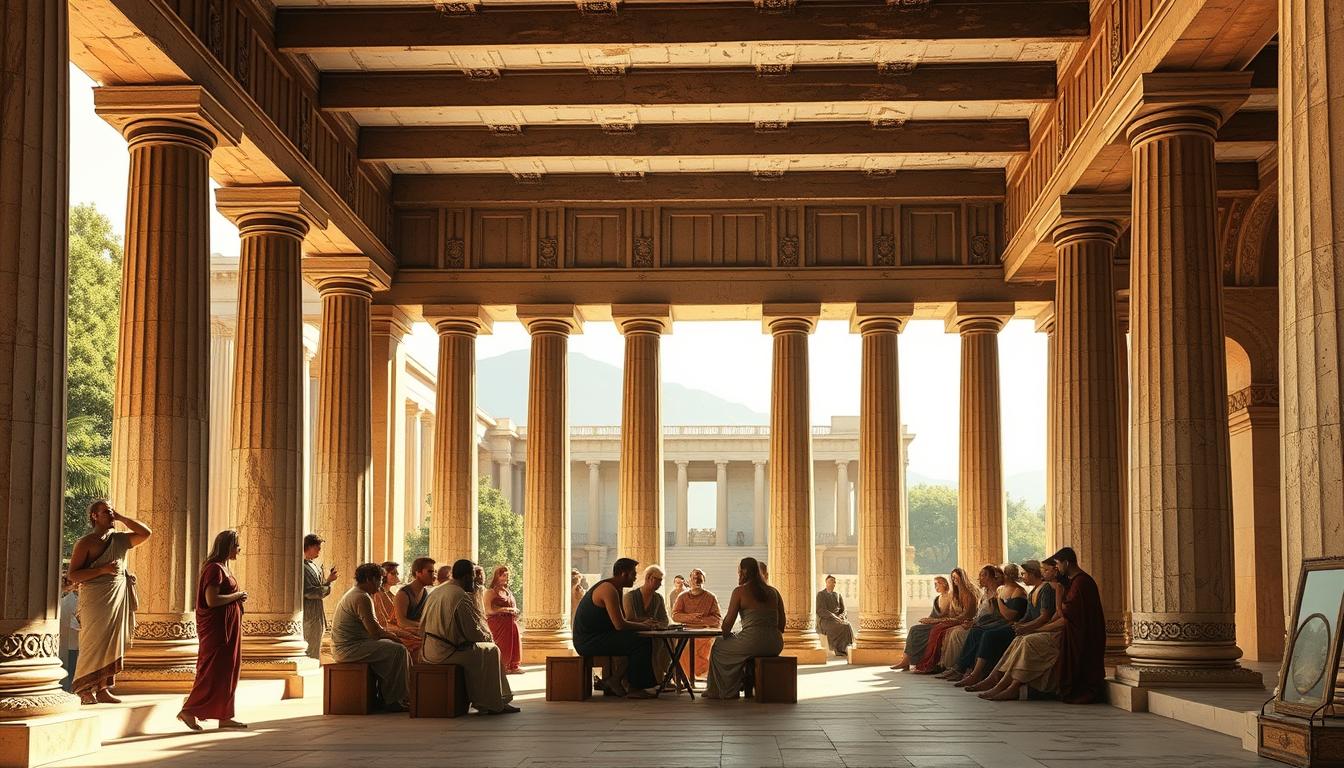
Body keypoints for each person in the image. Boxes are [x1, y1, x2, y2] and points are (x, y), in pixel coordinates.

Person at [67, 499, 151, 704]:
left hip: (117, 596)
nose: (111, 514)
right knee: (93, 642)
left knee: (112, 642)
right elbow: (74, 575)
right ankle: (84, 688)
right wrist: (102, 570)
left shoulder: (120, 539)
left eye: (112, 511)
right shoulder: (86, 542)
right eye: (106, 512)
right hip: (95, 598)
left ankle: (103, 688)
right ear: (94, 516)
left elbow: (146, 533)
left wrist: (121, 517)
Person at [421, 559, 519, 714]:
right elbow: (472, 632)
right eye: (473, 576)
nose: (475, 580)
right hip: (445, 652)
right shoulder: (460, 595)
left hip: (430, 649)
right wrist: (488, 638)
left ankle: (493, 700)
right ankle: (493, 702)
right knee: (491, 651)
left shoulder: (438, 591)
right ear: (466, 576)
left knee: (482, 651)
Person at [177, 530, 248, 731]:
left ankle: (224, 715)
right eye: (236, 545)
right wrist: (237, 596)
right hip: (218, 631)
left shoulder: (224, 567)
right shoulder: (214, 569)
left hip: (229, 627)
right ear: (226, 546)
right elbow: (212, 600)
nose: (239, 549)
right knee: (212, 671)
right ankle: (189, 710)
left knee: (228, 671)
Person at [979, 557, 1067, 701]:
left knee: (1023, 640)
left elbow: (1046, 617)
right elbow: (1028, 616)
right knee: (1018, 639)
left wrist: (1028, 628)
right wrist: (1021, 625)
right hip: (1042, 628)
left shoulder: (1048, 588)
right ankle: (997, 679)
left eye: (1025, 574)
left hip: (1053, 632)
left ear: (1032, 574)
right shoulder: (1034, 591)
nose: (1022, 577)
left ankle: (1009, 686)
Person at [572, 558, 658, 698]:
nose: (636, 578)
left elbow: (622, 620)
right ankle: (635, 688)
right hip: (588, 641)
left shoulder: (616, 588)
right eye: (633, 574)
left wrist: (645, 622)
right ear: (624, 574)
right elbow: (620, 625)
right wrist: (644, 626)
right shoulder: (608, 589)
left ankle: (615, 679)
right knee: (641, 642)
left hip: (599, 636)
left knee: (638, 638)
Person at [331, 563, 410, 712]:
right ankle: (393, 700)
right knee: (398, 650)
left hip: (354, 645)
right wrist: (395, 637)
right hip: (349, 649)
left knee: (396, 648)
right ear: (369, 579)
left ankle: (395, 696)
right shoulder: (361, 597)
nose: (381, 583)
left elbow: (375, 629)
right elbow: (375, 632)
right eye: (379, 579)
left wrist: (392, 636)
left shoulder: (358, 594)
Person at [703, 557, 784, 700]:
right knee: (735, 646)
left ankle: (723, 690)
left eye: (739, 571)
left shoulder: (740, 591)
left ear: (743, 572)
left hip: (752, 641)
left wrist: (727, 634)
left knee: (718, 645)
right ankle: (741, 682)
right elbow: (782, 624)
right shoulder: (774, 592)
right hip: (775, 643)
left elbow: (727, 624)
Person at [952, 563, 1028, 688]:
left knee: (988, 635)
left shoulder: (1018, 591)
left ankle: (977, 674)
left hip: (1011, 625)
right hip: (1001, 623)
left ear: (1007, 576)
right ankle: (963, 668)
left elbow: (1009, 616)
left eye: (999, 575)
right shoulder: (1002, 589)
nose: (997, 577)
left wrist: (998, 599)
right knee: (975, 631)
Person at [1050, 546, 1107, 704]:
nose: (1057, 568)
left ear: (1067, 563)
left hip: (1084, 635)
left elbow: (1064, 612)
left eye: (1058, 564)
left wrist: (1058, 594)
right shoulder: (1077, 582)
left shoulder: (1081, 582)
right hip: (1078, 632)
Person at [934, 565, 1006, 680]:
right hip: (978, 623)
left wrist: (972, 623)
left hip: (988, 625)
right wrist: (972, 621)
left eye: (983, 575)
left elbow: (996, 616)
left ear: (993, 577)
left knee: (958, 633)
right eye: (980, 575)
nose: (980, 578)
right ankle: (952, 667)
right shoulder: (986, 592)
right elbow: (979, 614)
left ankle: (959, 669)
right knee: (952, 632)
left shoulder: (999, 592)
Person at [912, 568, 978, 674]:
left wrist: (948, 620)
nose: (954, 579)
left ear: (963, 578)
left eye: (956, 577)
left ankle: (942, 665)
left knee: (940, 631)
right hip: (955, 619)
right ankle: (932, 664)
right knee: (937, 629)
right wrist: (933, 620)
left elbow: (967, 614)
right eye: (953, 577)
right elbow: (948, 612)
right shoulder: (955, 594)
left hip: (964, 620)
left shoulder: (969, 594)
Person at [623, 565, 672, 685]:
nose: (660, 584)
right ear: (649, 578)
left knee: (669, 641)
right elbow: (629, 618)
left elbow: (664, 619)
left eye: (661, 581)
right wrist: (646, 623)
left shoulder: (658, 598)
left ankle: (663, 677)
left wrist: (658, 625)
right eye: (658, 580)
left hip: (654, 634)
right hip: (635, 634)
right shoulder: (630, 596)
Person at [890, 575, 950, 671]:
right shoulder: (937, 598)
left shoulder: (950, 596)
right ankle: (905, 660)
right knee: (915, 629)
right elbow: (933, 615)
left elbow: (947, 615)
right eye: (934, 584)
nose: (935, 587)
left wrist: (933, 620)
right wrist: (927, 620)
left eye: (937, 584)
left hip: (941, 624)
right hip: (933, 622)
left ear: (944, 584)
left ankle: (907, 661)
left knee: (914, 630)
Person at [672, 568, 721, 681]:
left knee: (707, 649)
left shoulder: (710, 597)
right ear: (689, 581)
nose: (696, 580)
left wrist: (701, 620)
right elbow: (675, 615)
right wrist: (690, 617)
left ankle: (701, 675)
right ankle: (685, 678)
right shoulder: (682, 597)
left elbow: (717, 619)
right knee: (683, 648)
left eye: (699, 578)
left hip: (705, 634)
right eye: (694, 578)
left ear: (704, 580)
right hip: (686, 633)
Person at [302, 534, 337, 660]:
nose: (319, 551)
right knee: (310, 647)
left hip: (317, 614)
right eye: (317, 548)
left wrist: (328, 581)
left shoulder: (314, 565)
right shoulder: (302, 567)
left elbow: (318, 589)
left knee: (316, 646)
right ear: (309, 547)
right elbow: (309, 592)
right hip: (309, 614)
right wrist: (326, 587)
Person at [485, 564, 522, 674]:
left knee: (514, 644)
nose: (506, 578)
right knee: (502, 645)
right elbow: (488, 611)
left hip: (511, 622)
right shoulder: (491, 592)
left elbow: (512, 607)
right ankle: (501, 666)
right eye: (503, 575)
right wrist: (505, 609)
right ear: (497, 576)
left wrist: (514, 611)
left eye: (507, 575)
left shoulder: (508, 591)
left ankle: (513, 666)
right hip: (498, 624)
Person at [394, 557, 435, 633]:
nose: (434, 576)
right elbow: (401, 622)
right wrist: (425, 626)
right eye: (430, 572)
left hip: (419, 632)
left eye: (434, 572)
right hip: (405, 635)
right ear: (418, 573)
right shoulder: (403, 594)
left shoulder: (425, 592)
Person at [816, 575, 854, 658]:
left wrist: (841, 616)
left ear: (835, 584)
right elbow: (820, 610)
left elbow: (844, 609)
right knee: (842, 626)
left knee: (847, 625)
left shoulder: (837, 595)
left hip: (838, 619)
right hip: (826, 620)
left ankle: (846, 648)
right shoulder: (821, 594)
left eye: (833, 582)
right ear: (826, 583)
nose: (832, 583)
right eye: (830, 581)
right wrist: (834, 616)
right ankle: (839, 649)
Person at [58, 575, 80, 692]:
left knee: (72, 661)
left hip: (73, 640)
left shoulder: (75, 599)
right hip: (65, 638)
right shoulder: (66, 598)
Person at [373, 561, 401, 627]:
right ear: (384, 575)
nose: (396, 576)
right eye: (393, 573)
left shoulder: (391, 594)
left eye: (397, 574)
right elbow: (383, 621)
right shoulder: (378, 594)